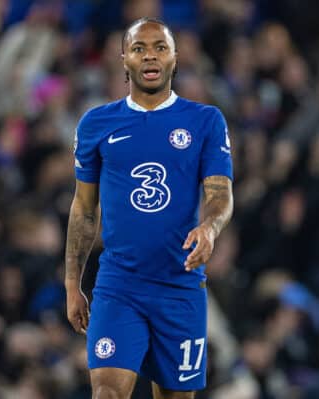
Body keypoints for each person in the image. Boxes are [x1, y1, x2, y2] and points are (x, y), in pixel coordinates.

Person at [64, 17, 234, 399]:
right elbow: (84, 209)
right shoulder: (96, 124)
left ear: (175, 57)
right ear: (124, 58)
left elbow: (221, 193)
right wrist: (72, 283)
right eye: (139, 48)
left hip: (180, 287)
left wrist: (210, 228)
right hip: (119, 286)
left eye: (160, 47)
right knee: (107, 392)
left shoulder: (205, 121)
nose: (150, 56)